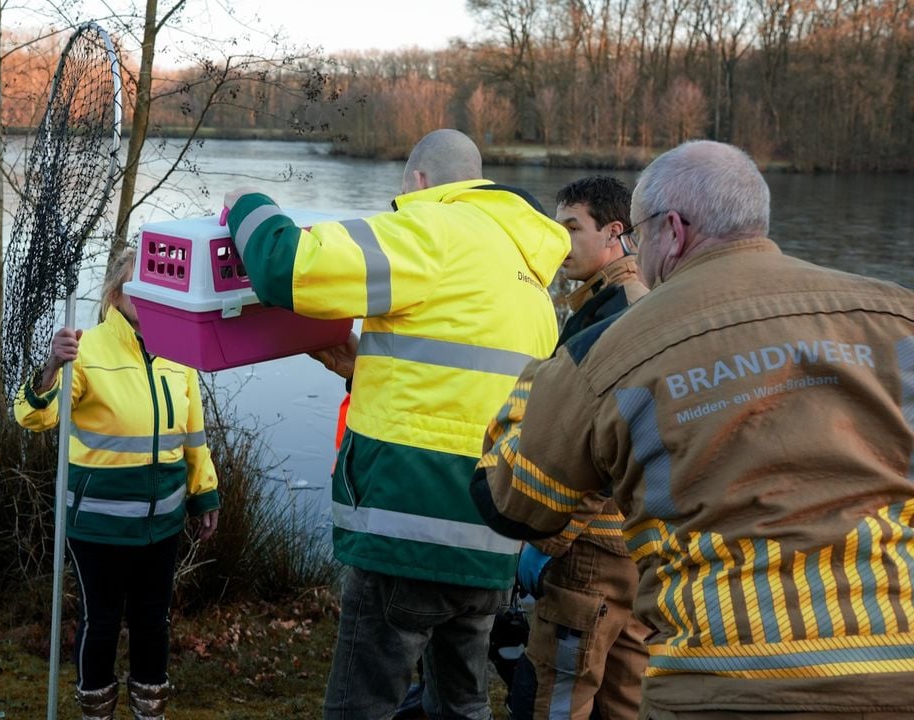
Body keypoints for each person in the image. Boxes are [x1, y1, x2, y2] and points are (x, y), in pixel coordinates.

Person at [471, 140, 914, 719]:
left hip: (723, 683)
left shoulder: (609, 350)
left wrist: (532, 390)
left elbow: (511, 503)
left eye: (640, 231)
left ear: (671, 231)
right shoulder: (896, 316)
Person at [224, 128, 571, 720]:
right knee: (461, 705)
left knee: (363, 705)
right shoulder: (530, 276)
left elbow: (290, 267)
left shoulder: (430, 229)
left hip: (406, 533)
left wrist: (247, 205)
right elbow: (469, 390)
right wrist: (364, 369)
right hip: (490, 540)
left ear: (418, 182)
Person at [14, 250, 221, 720]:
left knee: (153, 622)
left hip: (162, 522)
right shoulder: (84, 348)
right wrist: (51, 367)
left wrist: (203, 491)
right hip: (98, 524)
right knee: (102, 624)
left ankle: (150, 713)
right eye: (137, 286)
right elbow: (33, 417)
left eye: (157, 285)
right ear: (115, 294)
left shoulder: (179, 350)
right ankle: (97, 714)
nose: (149, 295)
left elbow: (193, 434)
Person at [507, 176, 650, 720]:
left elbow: (601, 447)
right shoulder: (632, 301)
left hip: (590, 553)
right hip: (634, 551)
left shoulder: (614, 314)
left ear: (615, 232)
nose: (559, 241)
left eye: (572, 227)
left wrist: (550, 539)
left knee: (556, 699)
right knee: (625, 701)